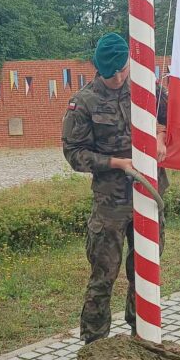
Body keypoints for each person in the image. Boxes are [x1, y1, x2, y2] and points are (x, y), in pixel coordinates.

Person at [62, 32, 168, 343]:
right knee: (103, 276)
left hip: (148, 196)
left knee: (145, 274)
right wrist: (117, 164)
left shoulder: (147, 89)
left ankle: (143, 336)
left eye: (123, 70)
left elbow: (172, 116)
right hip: (111, 202)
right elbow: (74, 154)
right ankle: (94, 345)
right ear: (99, 69)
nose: (118, 78)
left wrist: (161, 135)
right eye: (111, 74)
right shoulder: (83, 102)